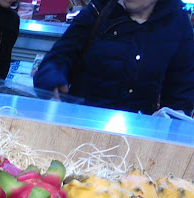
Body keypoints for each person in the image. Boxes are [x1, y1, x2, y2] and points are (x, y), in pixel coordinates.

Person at [33, 0, 194, 114]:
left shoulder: (178, 25)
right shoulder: (100, 9)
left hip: (137, 136)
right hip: (81, 125)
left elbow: (181, 92)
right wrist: (52, 77)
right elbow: (60, 55)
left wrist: (172, 123)